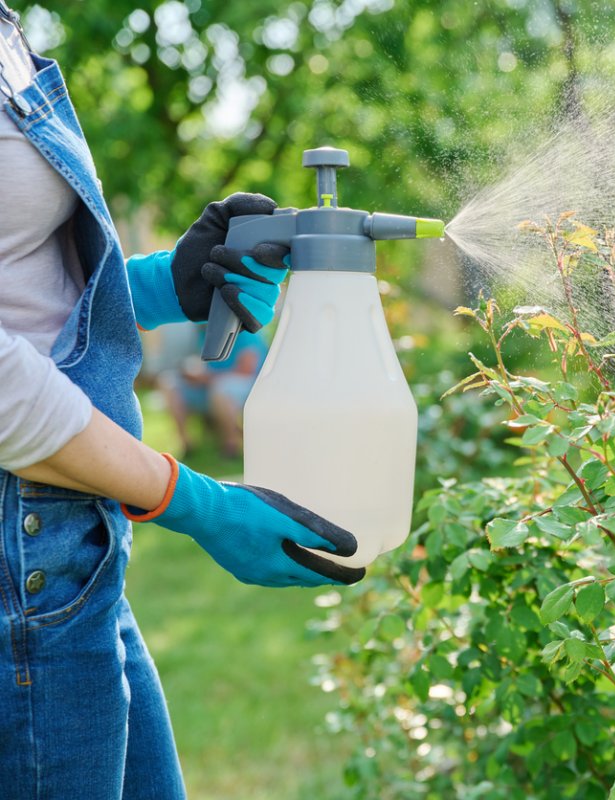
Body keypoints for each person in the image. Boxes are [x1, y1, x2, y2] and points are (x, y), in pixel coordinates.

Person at [0, 3, 365, 797]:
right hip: (16, 568)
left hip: (75, 563)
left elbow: (22, 300)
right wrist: (196, 503)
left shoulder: (7, 32)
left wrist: (167, 285)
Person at [159, 329, 269, 458]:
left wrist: (206, 378)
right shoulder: (203, 331)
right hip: (213, 383)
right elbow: (207, 365)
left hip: (249, 386)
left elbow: (245, 371)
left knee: (220, 388)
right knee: (169, 383)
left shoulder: (246, 331)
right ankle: (187, 444)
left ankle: (231, 446)